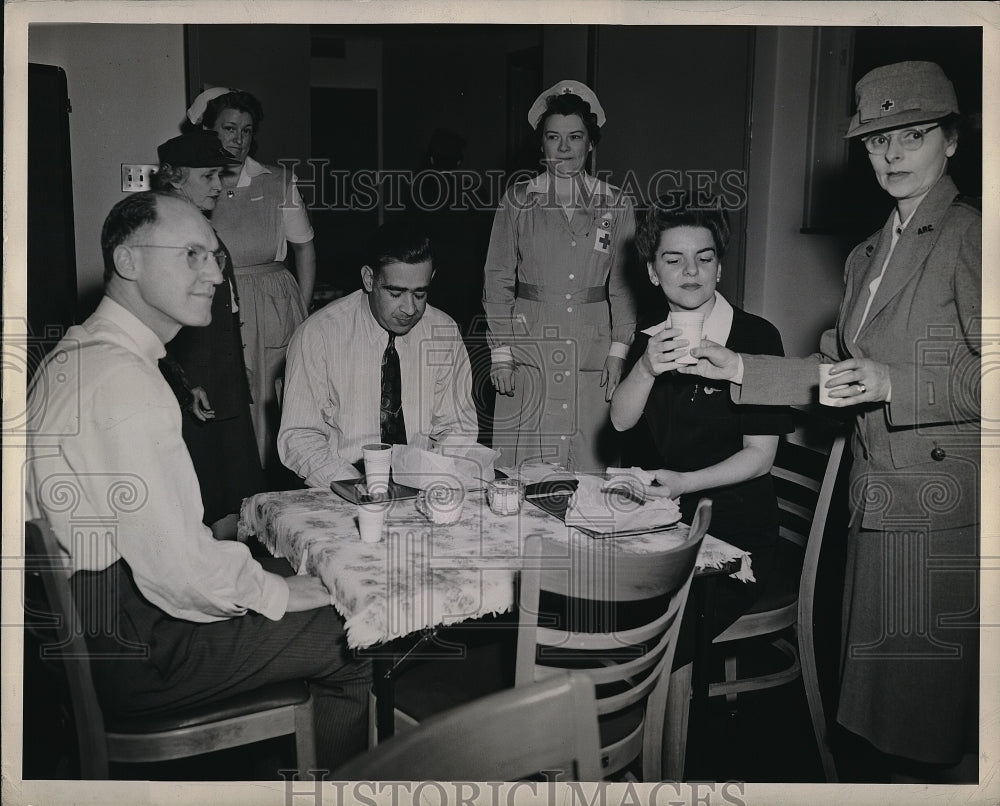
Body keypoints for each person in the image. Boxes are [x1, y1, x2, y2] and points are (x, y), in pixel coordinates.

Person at [682, 62, 980, 780]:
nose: (892, 156)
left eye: (911, 137)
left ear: (951, 140)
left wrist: (894, 382)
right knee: (882, 726)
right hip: (876, 501)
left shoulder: (970, 236)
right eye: (877, 142)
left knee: (923, 725)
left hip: (940, 511)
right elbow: (838, 374)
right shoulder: (867, 255)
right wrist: (744, 369)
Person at [25, 192, 370, 773]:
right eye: (191, 255)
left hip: (76, 635)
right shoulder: (125, 384)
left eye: (215, 256)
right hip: (136, 651)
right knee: (354, 630)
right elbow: (179, 574)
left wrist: (268, 584)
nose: (214, 274)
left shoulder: (77, 351)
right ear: (128, 260)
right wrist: (283, 594)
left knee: (280, 574)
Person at [610, 200, 791, 635]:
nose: (691, 271)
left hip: (735, 530)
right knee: (595, 596)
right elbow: (619, 421)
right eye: (674, 260)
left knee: (651, 625)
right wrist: (646, 367)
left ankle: (664, 699)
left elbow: (760, 458)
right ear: (653, 272)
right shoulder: (651, 337)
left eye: (704, 258)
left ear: (719, 269)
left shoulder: (757, 337)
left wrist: (683, 483)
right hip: (664, 520)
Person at [483, 80, 637, 472]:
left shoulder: (615, 203)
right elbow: (497, 278)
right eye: (554, 137)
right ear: (541, 144)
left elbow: (623, 286)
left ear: (590, 144)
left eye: (575, 137)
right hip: (529, 348)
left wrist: (619, 351)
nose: (564, 148)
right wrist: (500, 353)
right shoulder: (518, 200)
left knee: (588, 471)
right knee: (524, 470)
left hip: (593, 352)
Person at [277, 221, 478, 487]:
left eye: (420, 294)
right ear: (369, 279)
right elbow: (300, 437)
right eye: (395, 293)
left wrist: (432, 478)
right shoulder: (318, 335)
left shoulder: (443, 332)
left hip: (424, 483)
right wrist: (355, 486)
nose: (409, 309)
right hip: (341, 482)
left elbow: (457, 428)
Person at [187, 87, 317, 471]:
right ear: (209, 130)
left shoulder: (277, 181)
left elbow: (305, 250)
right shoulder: (193, 185)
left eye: (246, 131)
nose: (238, 140)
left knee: (269, 405)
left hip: (272, 306)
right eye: (228, 129)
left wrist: (301, 309)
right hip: (215, 304)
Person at [152, 130, 263, 539]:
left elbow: (224, 308)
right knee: (204, 495)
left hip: (222, 378)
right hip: (194, 388)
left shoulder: (197, 225)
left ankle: (231, 581)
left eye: (220, 175)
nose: (219, 185)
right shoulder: (163, 232)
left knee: (232, 490)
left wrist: (237, 366)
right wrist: (184, 383)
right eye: (208, 176)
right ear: (174, 177)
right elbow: (153, 323)